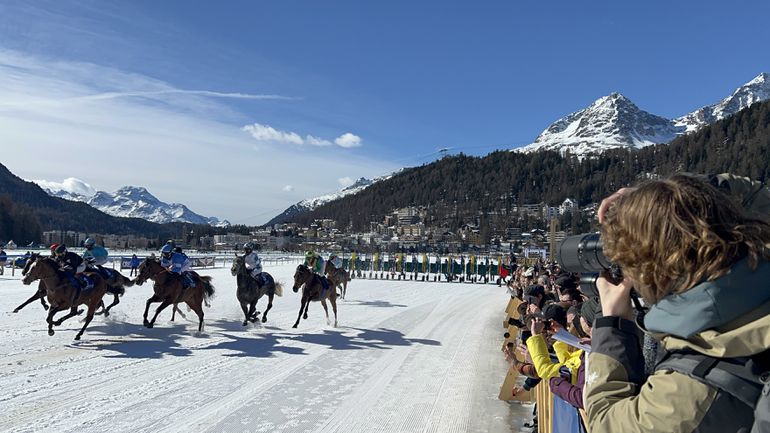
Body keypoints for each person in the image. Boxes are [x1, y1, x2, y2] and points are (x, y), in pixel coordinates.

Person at [585, 173, 770, 433]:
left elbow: (603, 422)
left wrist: (613, 325)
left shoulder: (690, 391)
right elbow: (757, 194)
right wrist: (671, 201)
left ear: (650, 273)